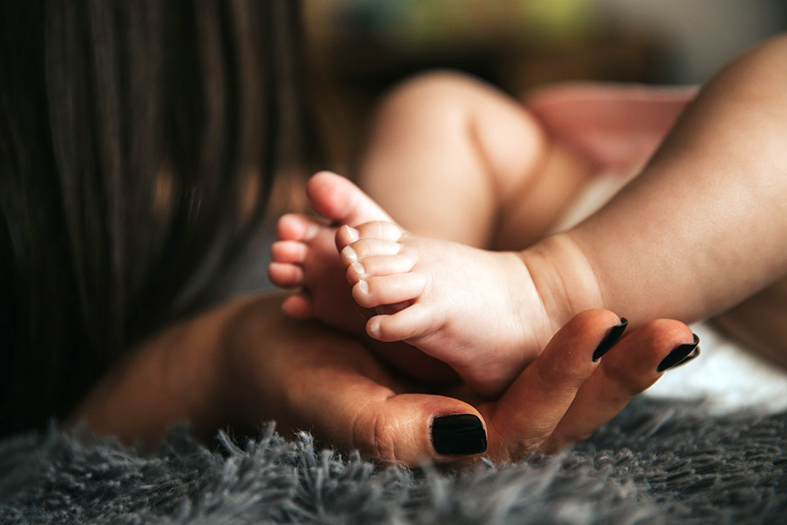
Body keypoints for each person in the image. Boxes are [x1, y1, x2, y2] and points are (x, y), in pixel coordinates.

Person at [1, 0, 693, 466]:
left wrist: (220, 353)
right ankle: (425, 311)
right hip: (580, 201)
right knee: (430, 105)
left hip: (687, 248)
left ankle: (498, 297)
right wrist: (221, 356)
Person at [269, 33, 787, 399]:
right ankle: (418, 296)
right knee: (436, 104)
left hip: (751, 311)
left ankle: (545, 294)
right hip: (607, 205)